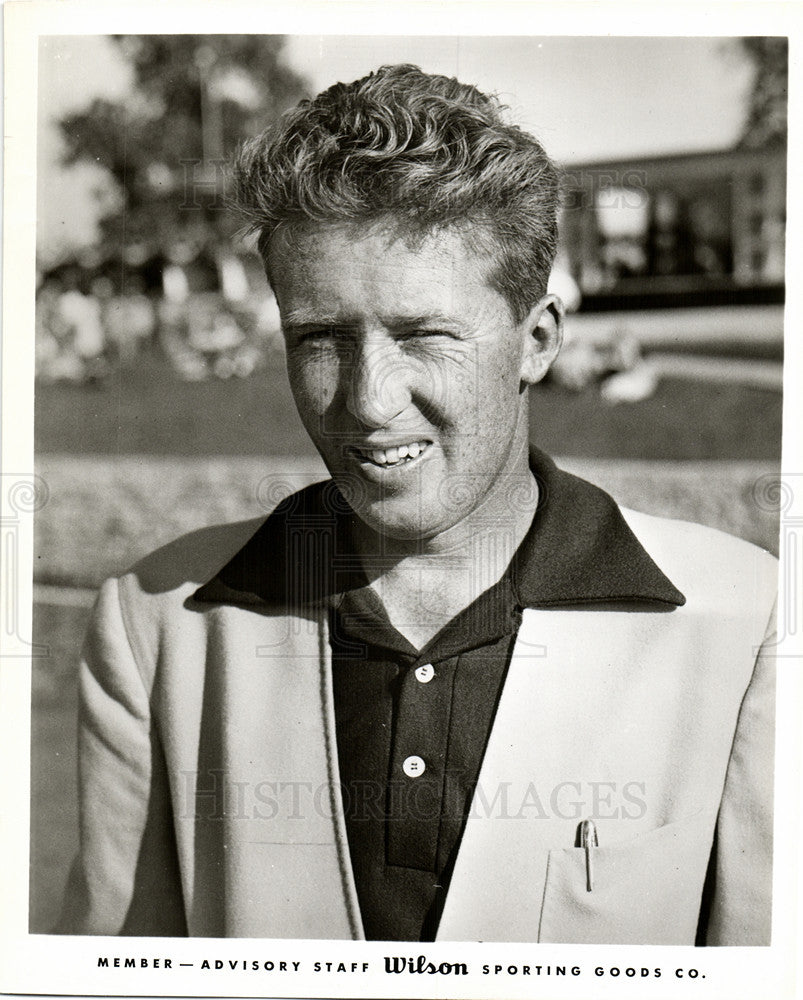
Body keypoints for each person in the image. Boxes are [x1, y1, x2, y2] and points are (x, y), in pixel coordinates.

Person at [57, 65, 777, 944]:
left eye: (423, 335)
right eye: (319, 340)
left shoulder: (746, 626)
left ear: (537, 340)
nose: (368, 399)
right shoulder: (153, 626)